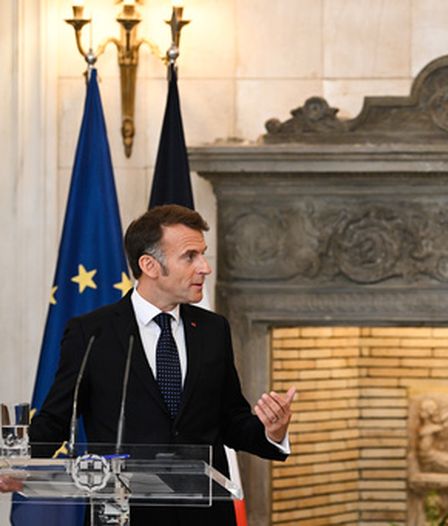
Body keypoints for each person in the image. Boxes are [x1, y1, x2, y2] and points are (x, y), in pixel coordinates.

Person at [16, 204, 295, 526]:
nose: (205, 267)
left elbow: (230, 419)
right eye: (190, 256)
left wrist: (272, 431)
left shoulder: (212, 329)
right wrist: (15, 463)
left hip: (204, 515)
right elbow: (55, 419)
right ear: (149, 264)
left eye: (203, 254)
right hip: (124, 513)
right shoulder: (93, 333)